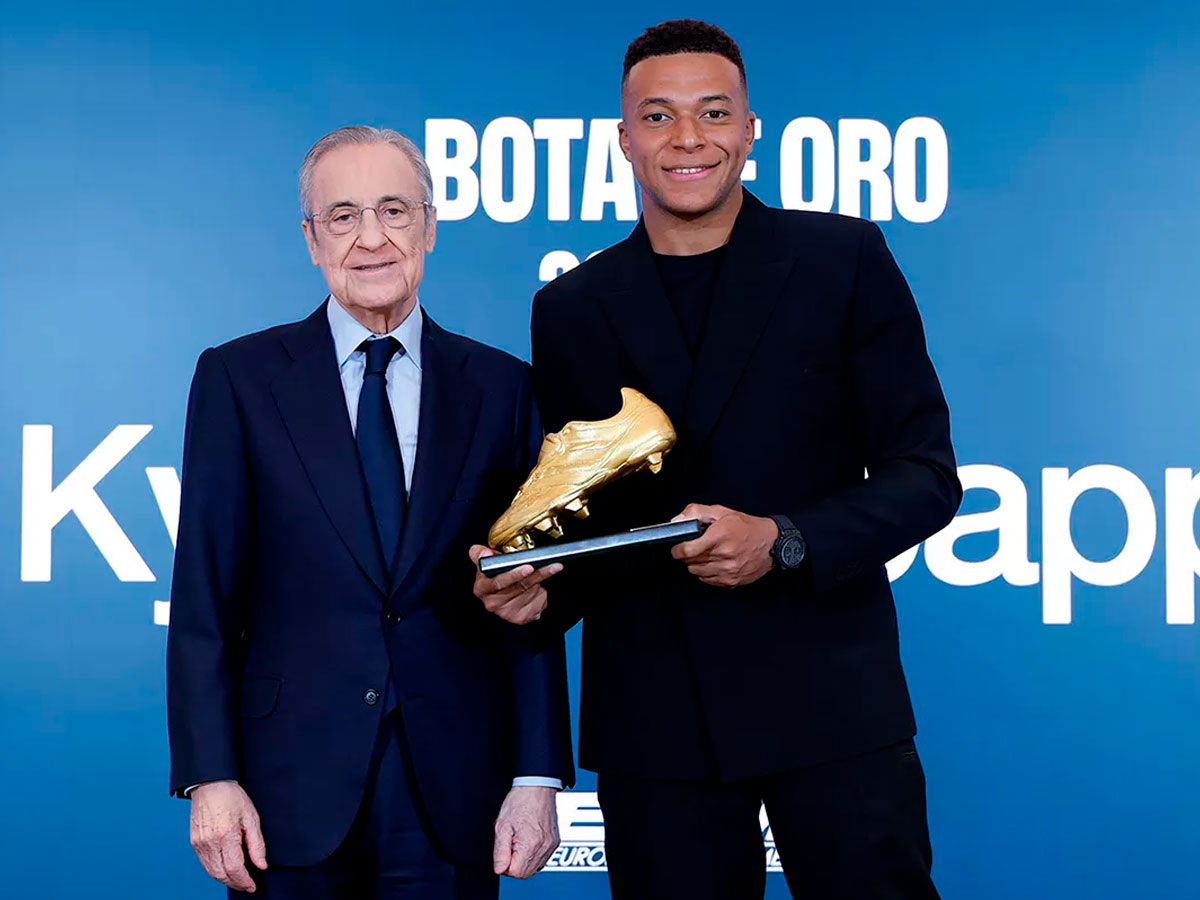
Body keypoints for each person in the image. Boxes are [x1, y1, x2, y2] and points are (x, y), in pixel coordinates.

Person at [472, 20, 961, 900]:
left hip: (833, 706)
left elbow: (925, 475)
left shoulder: (843, 259)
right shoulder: (572, 308)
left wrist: (784, 539)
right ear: (624, 140)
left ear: (749, 128)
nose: (688, 138)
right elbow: (590, 521)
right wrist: (539, 591)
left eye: (713, 112)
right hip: (654, 723)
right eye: (658, 116)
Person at [168, 125, 573, 899]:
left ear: (428, 226)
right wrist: (209, 775)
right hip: (285, 789)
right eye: (343, 216)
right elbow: (204, 599)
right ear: (311, 239)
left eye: (393, 210)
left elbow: (527, 593)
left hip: (455, 786)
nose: (372, 238)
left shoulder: (502, 388)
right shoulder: (239, 379)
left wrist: (536, 774)